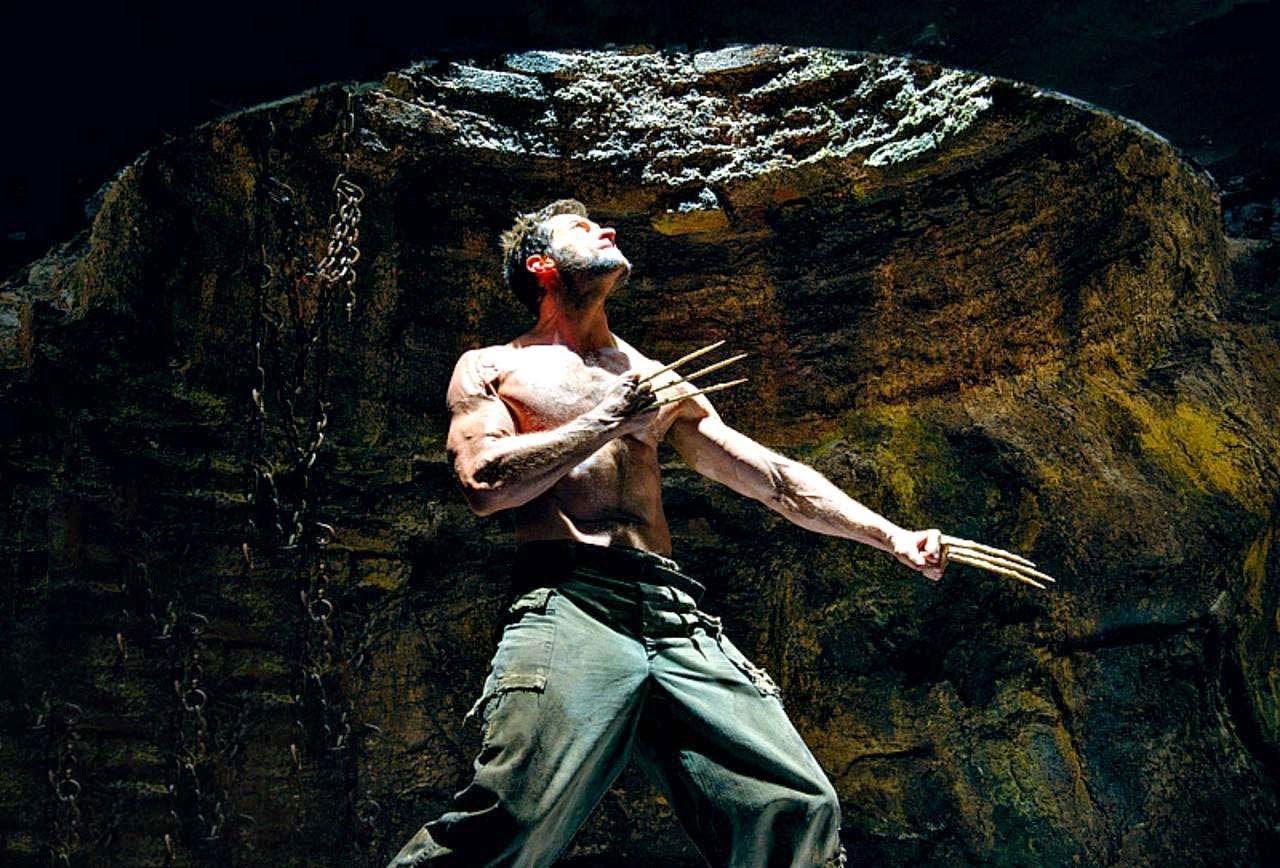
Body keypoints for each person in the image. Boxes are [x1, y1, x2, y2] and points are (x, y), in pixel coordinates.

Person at [387, 199, 946, 868]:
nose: (607, 230)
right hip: (572, 599)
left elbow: (774, 480)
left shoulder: (656, 380)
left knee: (795, 805)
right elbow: (484, 483)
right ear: (541, 265)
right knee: (512, 814)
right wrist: (608, 419)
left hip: (673, 610)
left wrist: (891, 536)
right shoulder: (492, 366)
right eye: (581, 228)